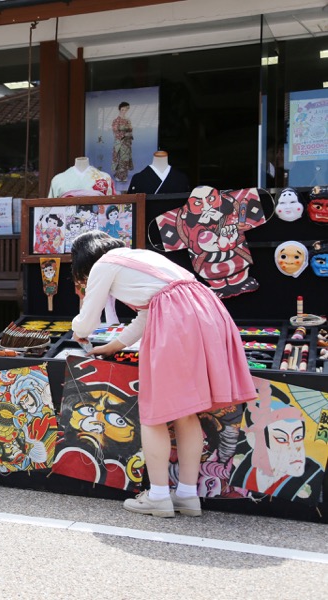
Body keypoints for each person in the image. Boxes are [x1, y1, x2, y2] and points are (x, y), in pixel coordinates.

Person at [70, 230, 256, 517]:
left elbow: (87, 322)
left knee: (154, 413)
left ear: (84, 261)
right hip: (206, 312)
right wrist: (113, 346)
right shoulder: (140, 258)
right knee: (186, 411)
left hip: (177, 320)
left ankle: (157, 495)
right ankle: (187, 495)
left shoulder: (103, 265)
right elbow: (145, 316)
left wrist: (78, 328)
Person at [111, 102, 134, 183]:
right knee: (120, 159)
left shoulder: (128, 120)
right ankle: (119, 176)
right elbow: (116, 132)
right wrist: (125, 132)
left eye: (126, 109)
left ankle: (124, 175)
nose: (124, 111)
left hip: (127, 143)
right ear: (120, 109)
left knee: (126, 160)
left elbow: (131, 130)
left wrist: (126, 132)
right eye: (122, 109)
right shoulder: (116, 120)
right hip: (120, 143)